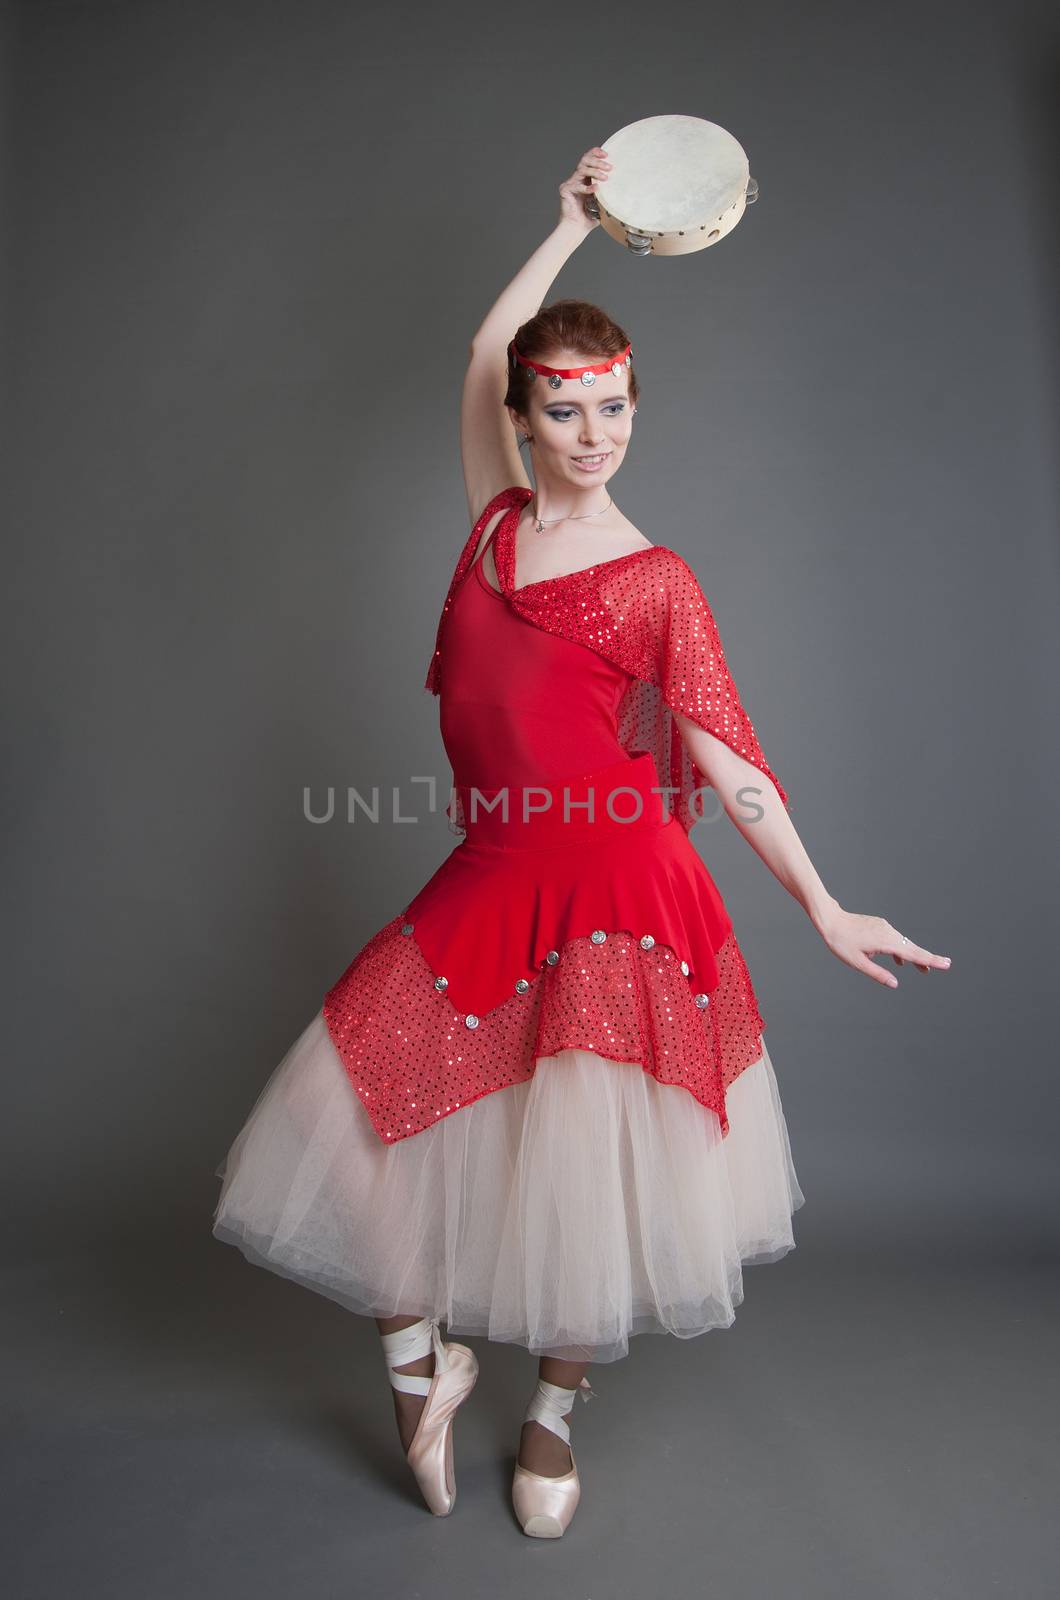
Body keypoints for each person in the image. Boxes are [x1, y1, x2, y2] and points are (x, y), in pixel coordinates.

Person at [212, 145, 952, 1538]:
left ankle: (550, 1418)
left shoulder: (656, 580)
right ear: (525, 423)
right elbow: (493, 336)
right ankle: (419, 1365)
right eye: (569, 410)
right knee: (334, 1111)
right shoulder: (493, 521)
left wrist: (824, 904)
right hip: (492, 883)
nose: (598, 432)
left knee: (588, 1187)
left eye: (616, 406)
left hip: (623, 899)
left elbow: (731, 758)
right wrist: (567, 227)